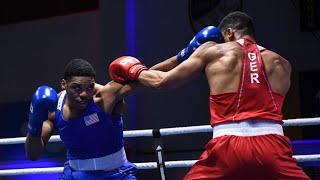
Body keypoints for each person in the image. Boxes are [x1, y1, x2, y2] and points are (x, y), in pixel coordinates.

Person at [109, 11, 310, 179]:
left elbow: (162, 82)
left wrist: (136, 71)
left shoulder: (214, 51)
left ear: (229, 32)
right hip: (273, 146)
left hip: (227, 147)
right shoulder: (283, 64)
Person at [25, 59, 137, 179]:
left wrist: (138, 70)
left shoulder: (104, 98)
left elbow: (152, 80)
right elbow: (33, 155)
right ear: (64, 84)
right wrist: (34, 125)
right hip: (74, 175)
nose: (83, 94)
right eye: (76, 88)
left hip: (116, 174)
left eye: (89, 87)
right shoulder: (54, 108)